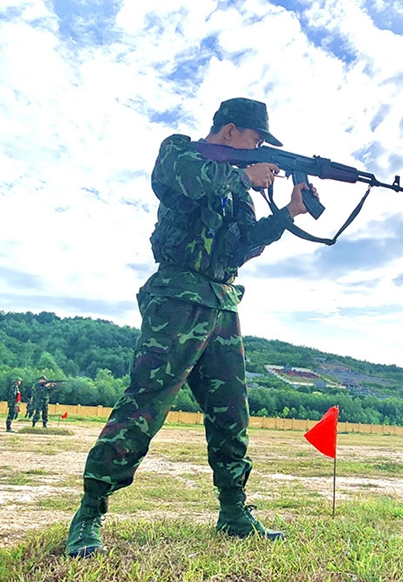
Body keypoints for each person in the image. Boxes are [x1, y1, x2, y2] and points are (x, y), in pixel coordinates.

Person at [64, 97, 318, 558]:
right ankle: (89, 512)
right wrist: (244, 174)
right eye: (257, 139)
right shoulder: (180, 151)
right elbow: (183, 183)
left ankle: (234, 511)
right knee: (145, 403)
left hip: (221, 302)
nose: (261, 148)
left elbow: (241, 247)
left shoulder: (239, 189)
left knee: (231, 413)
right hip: (177, 297)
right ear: (230, 133)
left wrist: (287, 214)